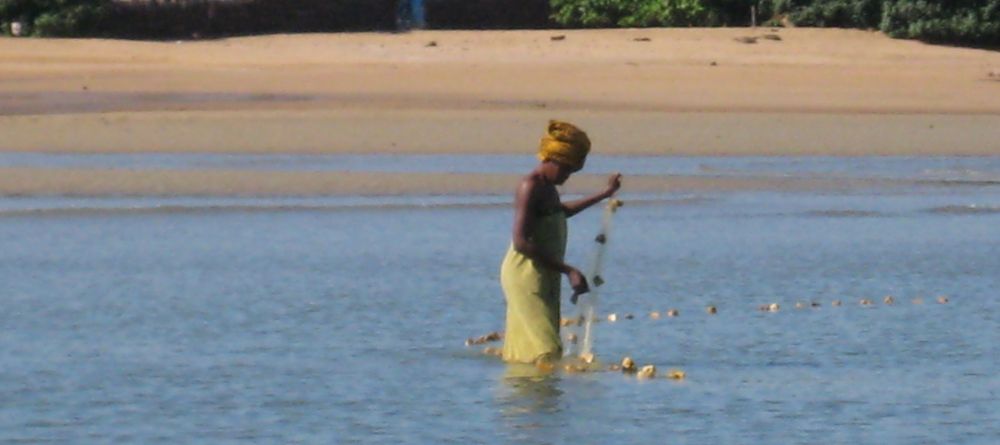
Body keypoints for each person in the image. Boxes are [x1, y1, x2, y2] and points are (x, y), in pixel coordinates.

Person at [500, 120, 622, 364]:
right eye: (565, 170)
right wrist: (568, 270)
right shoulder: (530, 186)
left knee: (532, 350)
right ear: (551, 160)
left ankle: (532, 397)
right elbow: (521, 241)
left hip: (545, 273)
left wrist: (604, 194)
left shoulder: (548, 187)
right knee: (546, 348)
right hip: (526, 275)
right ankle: (538, 398)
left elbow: (559, 211)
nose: (567, 177)